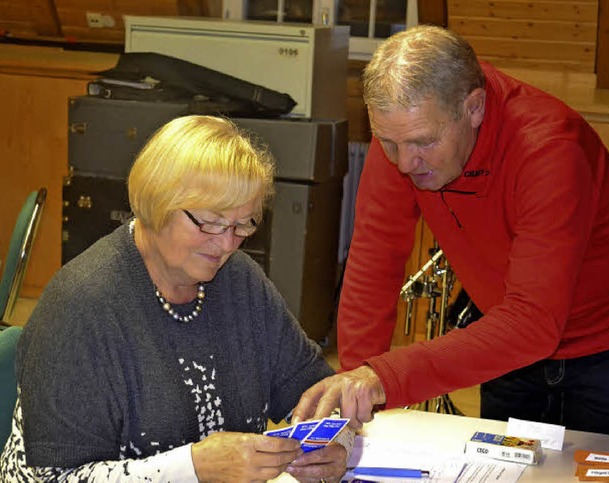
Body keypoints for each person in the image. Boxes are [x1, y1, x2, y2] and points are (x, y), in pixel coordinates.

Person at [292, 25, 609, 438]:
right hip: (507, 344)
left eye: (423, 143)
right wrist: (355, 387)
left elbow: (533, 322)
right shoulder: (407, 133)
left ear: (474, 108)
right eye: (388, 143)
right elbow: (373, 260)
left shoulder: (548, 150)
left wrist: (383, 377)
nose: (405, 164)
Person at [0, 115, 348, 481]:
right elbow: (53, 478)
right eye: (210, 222)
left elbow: (314, 392)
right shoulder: (80, 306)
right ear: (158, 203)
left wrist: (333, 445)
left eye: (243, 224)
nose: (227, 243)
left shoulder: (238, 281)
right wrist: (194, 469)